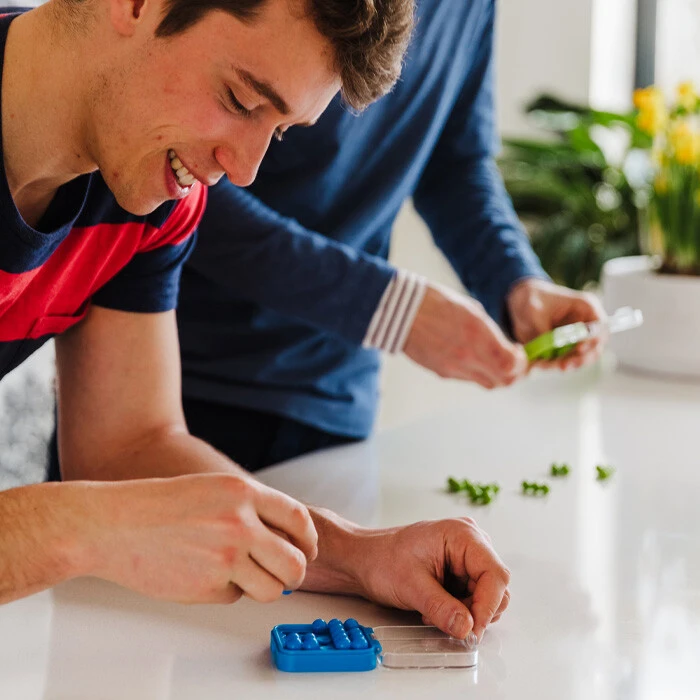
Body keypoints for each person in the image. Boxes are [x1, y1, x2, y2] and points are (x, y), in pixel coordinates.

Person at [0, 0, 509, 643]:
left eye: (281, 131)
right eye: (240, 100)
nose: (242, 170)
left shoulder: (150, 193)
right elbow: (113, 496)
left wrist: (355, 555)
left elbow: (126, 446)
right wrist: (93, 526)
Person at [157, 0, 605, 473]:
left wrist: (517, 282)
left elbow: (456, 165)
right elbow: (185, 182)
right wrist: (386, 306)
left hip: (340, 397)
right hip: (188, 375)